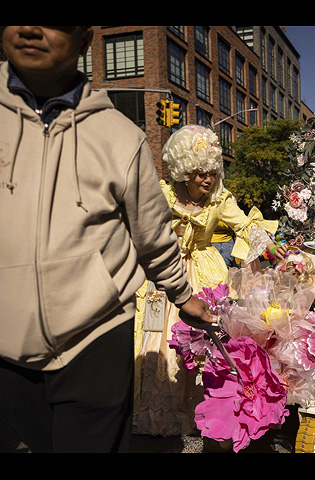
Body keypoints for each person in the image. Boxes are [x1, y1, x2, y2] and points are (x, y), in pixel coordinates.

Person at [0, 26, 215, 453]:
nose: (29, 28)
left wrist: (183, 294)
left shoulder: (122, 136)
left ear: (84, 41)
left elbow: (151, 234)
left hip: (97, 334)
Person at [135, 124, 287, 437]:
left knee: (200, 343)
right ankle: (152, 414)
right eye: (200, 172)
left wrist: (269, 243)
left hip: (203, 275)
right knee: (156, 340)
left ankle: (199, 412)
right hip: (163, 275)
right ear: (185, 170)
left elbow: (245, 226)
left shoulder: (219, 200)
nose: (208, 179)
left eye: (212, 172)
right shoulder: (163, 194)